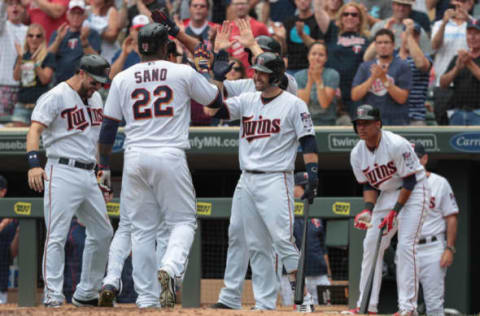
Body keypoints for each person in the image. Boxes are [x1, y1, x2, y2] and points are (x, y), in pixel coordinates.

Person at [97, 22, 221, 308]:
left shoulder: (123, 77)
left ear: (140, 46)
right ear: (166, 46)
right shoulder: (181, 71)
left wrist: (102, 165)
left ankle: (146, 298)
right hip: (169, 153)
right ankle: (170, 267)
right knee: (183, 221)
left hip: (135, 156)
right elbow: (214, 98)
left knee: (140, 229)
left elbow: (107, 130)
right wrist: (203, 67)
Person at [206, 51, 319, 312]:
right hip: (247, 179)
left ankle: (304, 300)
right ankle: (265, 303)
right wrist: (216, 79)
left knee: (282, 240)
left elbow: (309, 141)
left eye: (262, 72)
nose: (255, 76)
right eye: (255, 71)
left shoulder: (293, 104)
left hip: (276, 178)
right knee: (256, 245)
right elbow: (214, 111)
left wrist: (313, 174)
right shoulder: (247, 99)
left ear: (276, 76)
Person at [25, 54, 114, 307]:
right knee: (57, 235)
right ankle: (53, 294)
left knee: (103, 231)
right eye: (94, 81)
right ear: (82, 73)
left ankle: (86, 291)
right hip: (61, 169)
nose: (97, 87)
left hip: (88, 172)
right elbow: (35, 129)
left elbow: (96, 141)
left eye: (100, 83)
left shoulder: (95, 97)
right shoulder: (55, 96)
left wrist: (103, 178)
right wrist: (34, 164)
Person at [345, 104, 429, 315]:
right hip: (388, 192)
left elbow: (409, 180)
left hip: (414, 190)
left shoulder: (396, 144)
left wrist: (395, 211)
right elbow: (369, 184)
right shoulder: (357, 153)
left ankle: (407, 308)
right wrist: (368, 210)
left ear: (378, 124)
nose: (361, 127)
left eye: (365, 123)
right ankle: (367, 305)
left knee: (405, 246)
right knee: (371, 244)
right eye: (358, 123)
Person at [413, 143, 458, 316]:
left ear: (424, 159)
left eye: (416, 157)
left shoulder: (439, 183)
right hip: (408, 247)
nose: (413, 161)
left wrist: (449, 248)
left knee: (434, 303)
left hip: (433, 246)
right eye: (409, 157)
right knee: (407, 304)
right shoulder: (398, 184)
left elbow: (451, 216)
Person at [280, 172, 332, 306]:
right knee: (294, 309)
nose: (306, 191)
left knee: (324, 309)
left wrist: (329, 274)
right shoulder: (284, 211)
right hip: (291, 275)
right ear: (293, 187)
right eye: (302, 187)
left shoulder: (317, 212)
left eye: (308, 187)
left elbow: (323, 248)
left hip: (318, 274)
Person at [313, 0, 370, 119]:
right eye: (346, 14)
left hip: (356, 90)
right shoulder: (332, 31)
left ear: (359, 19)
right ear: (341, 17)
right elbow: (318, 9)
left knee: (358, 125)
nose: (350, 17)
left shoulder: (366, 38)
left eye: (354, 14)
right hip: (334, 87)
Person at [352, 28, 412, 125]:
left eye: (386, 42)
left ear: (393, 45)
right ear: (375, 45)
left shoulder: (403, 66)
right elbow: (355, 95)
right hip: (370, 122)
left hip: (396, 122)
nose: (383, 46)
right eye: (379, 43)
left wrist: (383, 78)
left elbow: (402, 98)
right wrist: (372, 78)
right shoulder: (365, 66)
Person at [11, 23, 55, 127]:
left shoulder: (48, 56)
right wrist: (20, 59)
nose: (34, 38)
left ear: (42, 38)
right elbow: (16, 77)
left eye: (38, 36)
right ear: (27, 38)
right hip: (22, 104)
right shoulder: (22, 56)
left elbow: (45, 79)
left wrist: (35, 63)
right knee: (17, 138)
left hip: (40, 105)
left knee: (38, 138)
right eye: (31, 35)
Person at [48, 0, 102, 83]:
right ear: (67, 15)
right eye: (73, 13)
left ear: (85, 16)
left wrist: (84, 42)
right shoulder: (58, 33)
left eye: (79, 13)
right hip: (60, 82)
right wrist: (58, 40)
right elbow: (47, 57)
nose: (76, 16)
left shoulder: (92, 33)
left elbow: (96, 61)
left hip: (83, 83)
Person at [439, 19, 480, 125]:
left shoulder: (466, 59)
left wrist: (469, 64)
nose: (472, 37)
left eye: (476, 34)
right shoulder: (458, 58)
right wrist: (457, 68)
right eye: (469, 33)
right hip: (458, 112)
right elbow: (443, 83)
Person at [296, 41, 340, 126]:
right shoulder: (299, 76)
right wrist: (310, 81)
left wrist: (318, 79)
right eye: (313, 54)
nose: (317, 57)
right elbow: (303, 105)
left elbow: (324, 104)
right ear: (308, 56)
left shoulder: (332, 74)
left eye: (321, 55)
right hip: (305, 122)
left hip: (327, 122)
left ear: (326, 58)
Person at [397, 20, 432, 126]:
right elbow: (367, 58)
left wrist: (409, 36)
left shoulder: (425, 57)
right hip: (393, 117)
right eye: (408, 34)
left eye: (415, 35)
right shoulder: (391, 57)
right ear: (401, 35)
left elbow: (421, 64)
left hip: (415, 118)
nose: (411, 37)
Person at [0, 0, 27, 125]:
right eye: (11, 4)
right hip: (3, 86)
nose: (14, 6)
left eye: (18, 4)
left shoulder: (29, 31)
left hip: (23, 88)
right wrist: (3, 3)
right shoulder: (3, 27)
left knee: (18, 127)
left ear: (23, 9)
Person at [278, 0, 323, 75]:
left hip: (310, 67)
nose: (302, 1)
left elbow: (320, 47)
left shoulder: (318, 21)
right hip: (291, 67)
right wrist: (281, 38)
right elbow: (284, 51)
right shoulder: (289, 21)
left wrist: (302, 35)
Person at [228, 0, 269, 77]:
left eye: (243, 3)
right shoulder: (228, 28)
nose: (240, 7)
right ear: (231, 6)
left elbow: (269, 51)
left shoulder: (259, 26)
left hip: (255, 75)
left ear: (249, 5)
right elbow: (228, 56)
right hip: (236, 75)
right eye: (237, 4)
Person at [109, 14, 149, 79]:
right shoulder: (122, 52)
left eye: (145, 29)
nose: (142, 32)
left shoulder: (156, 50)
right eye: (138, 29)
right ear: (131, 30)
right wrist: (124, 54)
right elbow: (111, 76)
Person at [0, 176, 19, 305]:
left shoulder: (11, 216)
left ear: (3, 192)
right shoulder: (7, 220)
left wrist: (19, 232)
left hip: (1, 282)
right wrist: (3, 224)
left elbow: (12, 253)